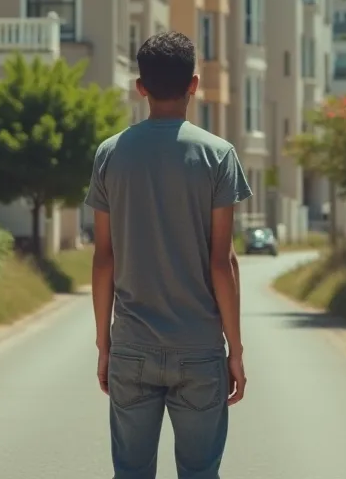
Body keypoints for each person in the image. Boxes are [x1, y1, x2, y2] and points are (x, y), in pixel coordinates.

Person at [85, 30, 252, 479]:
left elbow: (104, 259)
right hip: (199, 350)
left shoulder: (110, 155)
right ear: (193, 84)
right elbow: (223, 262)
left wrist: (106, 343)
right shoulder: (219, 156)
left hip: (133, 347)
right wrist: (233, 350)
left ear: (141, 88)